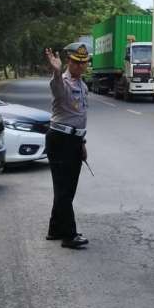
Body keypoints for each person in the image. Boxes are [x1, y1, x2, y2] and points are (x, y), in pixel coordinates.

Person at [44, 43, 90, 249]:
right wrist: (55, 70)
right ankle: (69, 236)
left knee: (67, 189)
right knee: (64, 189)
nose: (80, 67)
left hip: (73, 141)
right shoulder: (61, 82)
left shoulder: (82, 85)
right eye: (76, 63)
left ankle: (55, 229)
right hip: (60, 140)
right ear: (69, 62)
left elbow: (79, 117)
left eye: (84, 63)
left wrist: (82, 142)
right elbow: (56, 88)